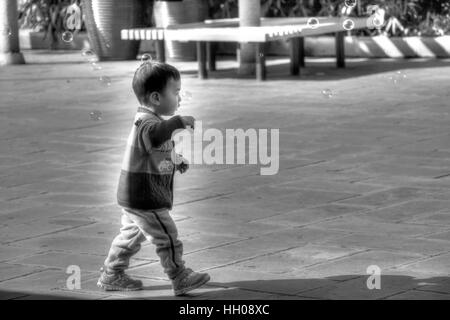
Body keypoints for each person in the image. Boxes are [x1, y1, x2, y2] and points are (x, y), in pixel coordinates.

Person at [97, 61, 210, 296]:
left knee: (130, 236)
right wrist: (178, 122)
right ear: (157, 98)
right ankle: (180, 276)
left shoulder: (151, 121)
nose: (179, 99)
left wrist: (175, 159)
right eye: (176, 92)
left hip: (134, 195)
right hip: (145, 196)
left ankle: (112, 272)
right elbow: (156, 135)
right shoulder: (147, 123)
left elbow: (156, 148)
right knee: (167, 235)